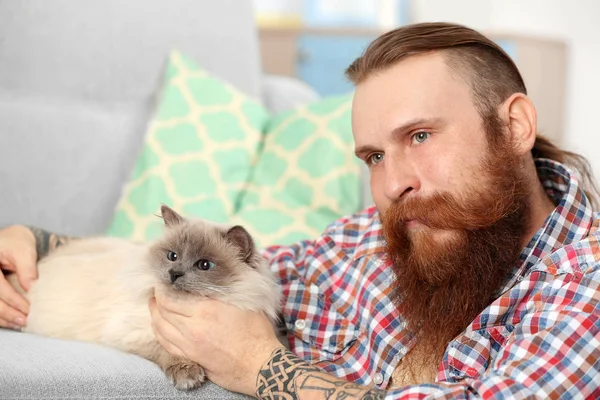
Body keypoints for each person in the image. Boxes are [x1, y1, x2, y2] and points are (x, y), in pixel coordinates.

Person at [1, 22, 599, 399]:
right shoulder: (368, 242)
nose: (392, 184)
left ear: (514, 124)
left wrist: (265, 367)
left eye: (420, 136)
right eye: (372, 156)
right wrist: (35, 244)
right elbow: (237, 269)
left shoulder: (585, 289)